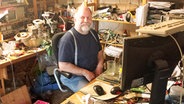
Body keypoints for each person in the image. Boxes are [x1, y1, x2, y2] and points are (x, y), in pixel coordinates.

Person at [57, 3, 104, 92]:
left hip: (93, 72)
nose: (86, 20)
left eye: (89, 17)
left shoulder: (93, 34)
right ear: (75, 19)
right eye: (82, 17)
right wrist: (85, 72)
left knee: (110, 87)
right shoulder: (67, 39)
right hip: (74, 76)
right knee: (93, 94)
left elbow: (100, 52)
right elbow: (63, 66)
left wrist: (99, 65)